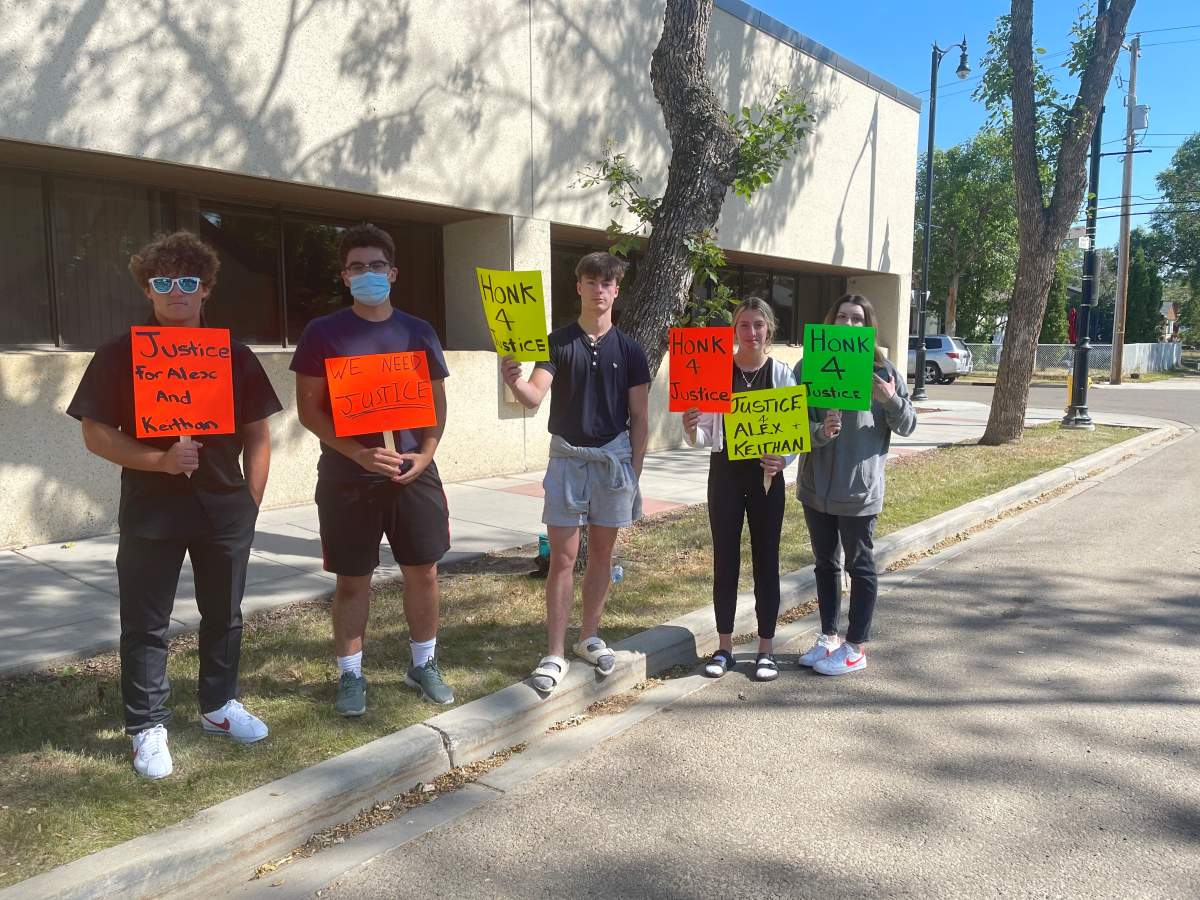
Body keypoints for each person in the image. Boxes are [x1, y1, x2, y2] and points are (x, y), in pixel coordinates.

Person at [67, 231, 282, 780]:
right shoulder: (119, 354)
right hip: (151, 508)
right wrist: (160, 461)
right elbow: (95, 433)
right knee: (145, 621)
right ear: (147, 290)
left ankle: (219, 705)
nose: (176, 292)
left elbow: (259, 433)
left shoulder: (234, 355)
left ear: (206, 289)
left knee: (225, 614)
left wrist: (251, 501)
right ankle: (146, 725)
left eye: (188, 282)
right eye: (162, 283)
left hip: (224, 507)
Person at [291, 223, 454, 714]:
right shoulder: (323, 333)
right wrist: (359, 454)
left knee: (423, 571)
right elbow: (309, 411)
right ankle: (350, 674)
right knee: (352, 579)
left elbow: (437, 404)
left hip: (412, 471)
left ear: (393, 272)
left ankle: (423, 664)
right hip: (348, 477)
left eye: (376, 265)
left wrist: (426, 454)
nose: (368, 274)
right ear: (345, 276)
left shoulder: (418, 331)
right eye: (357, 267)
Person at [501, 251, 650, 694]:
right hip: (567, 459)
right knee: (563, 559)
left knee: (602, 555)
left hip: (613, 460)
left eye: (606, 283)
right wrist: (514, 380)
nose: (598, 290)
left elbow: (640, 416)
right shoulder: (557, 342)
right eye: (591, 281)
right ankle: (554, 652)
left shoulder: (631, 349)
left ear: (616, 290)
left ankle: (589, 637)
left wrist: (634, 470)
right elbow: (533, 396)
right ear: (579, 286)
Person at [794, 294, 917, 675]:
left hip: (858, 491)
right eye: (842, 316)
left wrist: (891, 399)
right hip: (816, 487)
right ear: (831, 321)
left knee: (860, 566)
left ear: (868, 326)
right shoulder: (808, 366)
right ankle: (829, 637)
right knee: (825, 564)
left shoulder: (883, 371)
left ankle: (855, 647)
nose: (848, 324)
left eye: (857, 318)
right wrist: (820, 431)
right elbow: (793, 424)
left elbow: (908, 425)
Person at [682, 298, 796, 681]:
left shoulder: (780, 373)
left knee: (767, 561)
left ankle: (766, 649)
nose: (751, 332)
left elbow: (793, 432)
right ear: (734, 329)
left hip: (766, 478)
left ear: (769, 329)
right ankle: (724, 647)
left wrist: (783, 460)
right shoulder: (716, 370)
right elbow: (703, 435)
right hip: (725, 474)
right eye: (744, 325)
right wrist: (690, 427)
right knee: (725, 560)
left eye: (758, 325)